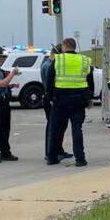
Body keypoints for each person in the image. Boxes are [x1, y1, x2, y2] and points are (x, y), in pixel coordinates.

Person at [47, 37, 92, 167]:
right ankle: (80, 159)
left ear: (64, 46)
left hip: (60, 100)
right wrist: (89, 98)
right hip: (79, 100)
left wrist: (50, 97)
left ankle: (52, 157)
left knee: (55, 129)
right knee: (77, 129)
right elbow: (90, 81)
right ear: (74, 47)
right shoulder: (84, 60)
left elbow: (50, 80)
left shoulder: (58, 59)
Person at [41, 45, 72, 163]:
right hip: (51, 100)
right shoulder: (49, 65)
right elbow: (51, 83)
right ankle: (50, 152)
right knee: (53, 127)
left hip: (53, 99)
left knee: (59, 126)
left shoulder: (47, 63)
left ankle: (58, 150)